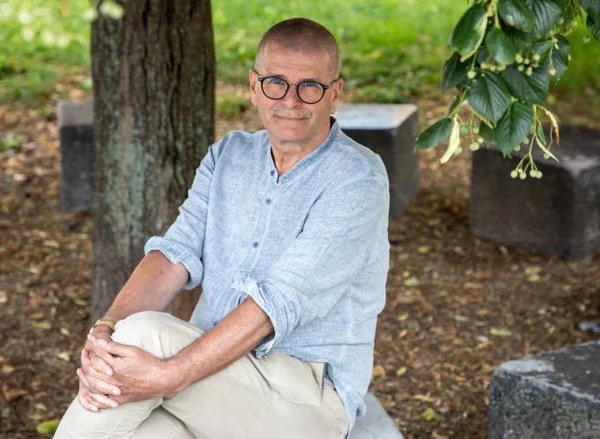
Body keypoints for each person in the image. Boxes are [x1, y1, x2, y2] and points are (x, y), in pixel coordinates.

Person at [54, 17, 389, 439]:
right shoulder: (229, 155)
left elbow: (277, 304)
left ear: (334, 94)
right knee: (129, 405)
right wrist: (104, 331)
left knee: (143, 334)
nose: (290, 100)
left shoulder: (358, 179)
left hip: (307, 399)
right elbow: (174, 253)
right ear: (254, 86)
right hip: (210, 380)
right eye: (275, 82)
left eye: (310, 86)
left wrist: (170, 375)